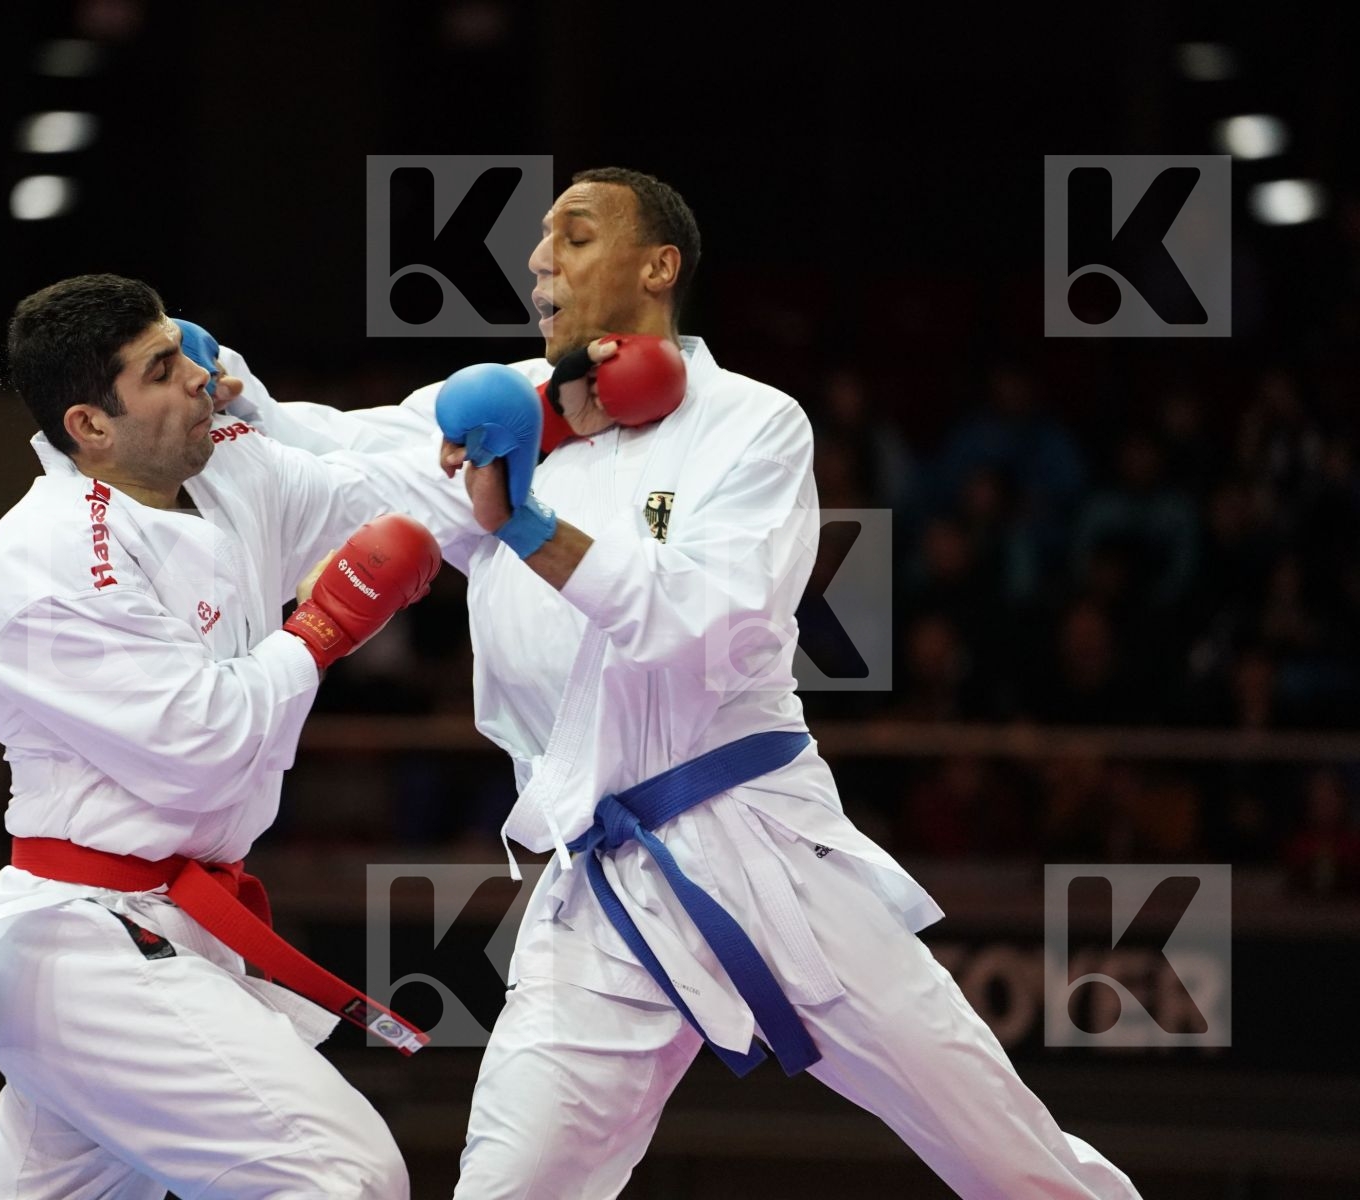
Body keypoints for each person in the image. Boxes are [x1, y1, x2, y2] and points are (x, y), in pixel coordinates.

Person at [222, 168, 1141, 1198]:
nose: (537, 260)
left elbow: (709, 620)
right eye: (539, 241)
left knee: (1010, 1159)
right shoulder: (505, 412)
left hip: (764, 851)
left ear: (658, 266)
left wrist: (524, 524)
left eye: (573, 236)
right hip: (599, 884)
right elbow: (347, 462)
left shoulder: (753, 424)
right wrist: (240, 400)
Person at [0, 274, 460, 1199]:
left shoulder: (225, 472)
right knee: (346, 1175)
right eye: (160, 369)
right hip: (84, 942)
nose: (197, 379)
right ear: (89, 426)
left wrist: (550, 421)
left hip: (170, 928)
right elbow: (205, 743)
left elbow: (387, 496)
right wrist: (322, 630)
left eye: (182, 351)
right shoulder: (40, 569)